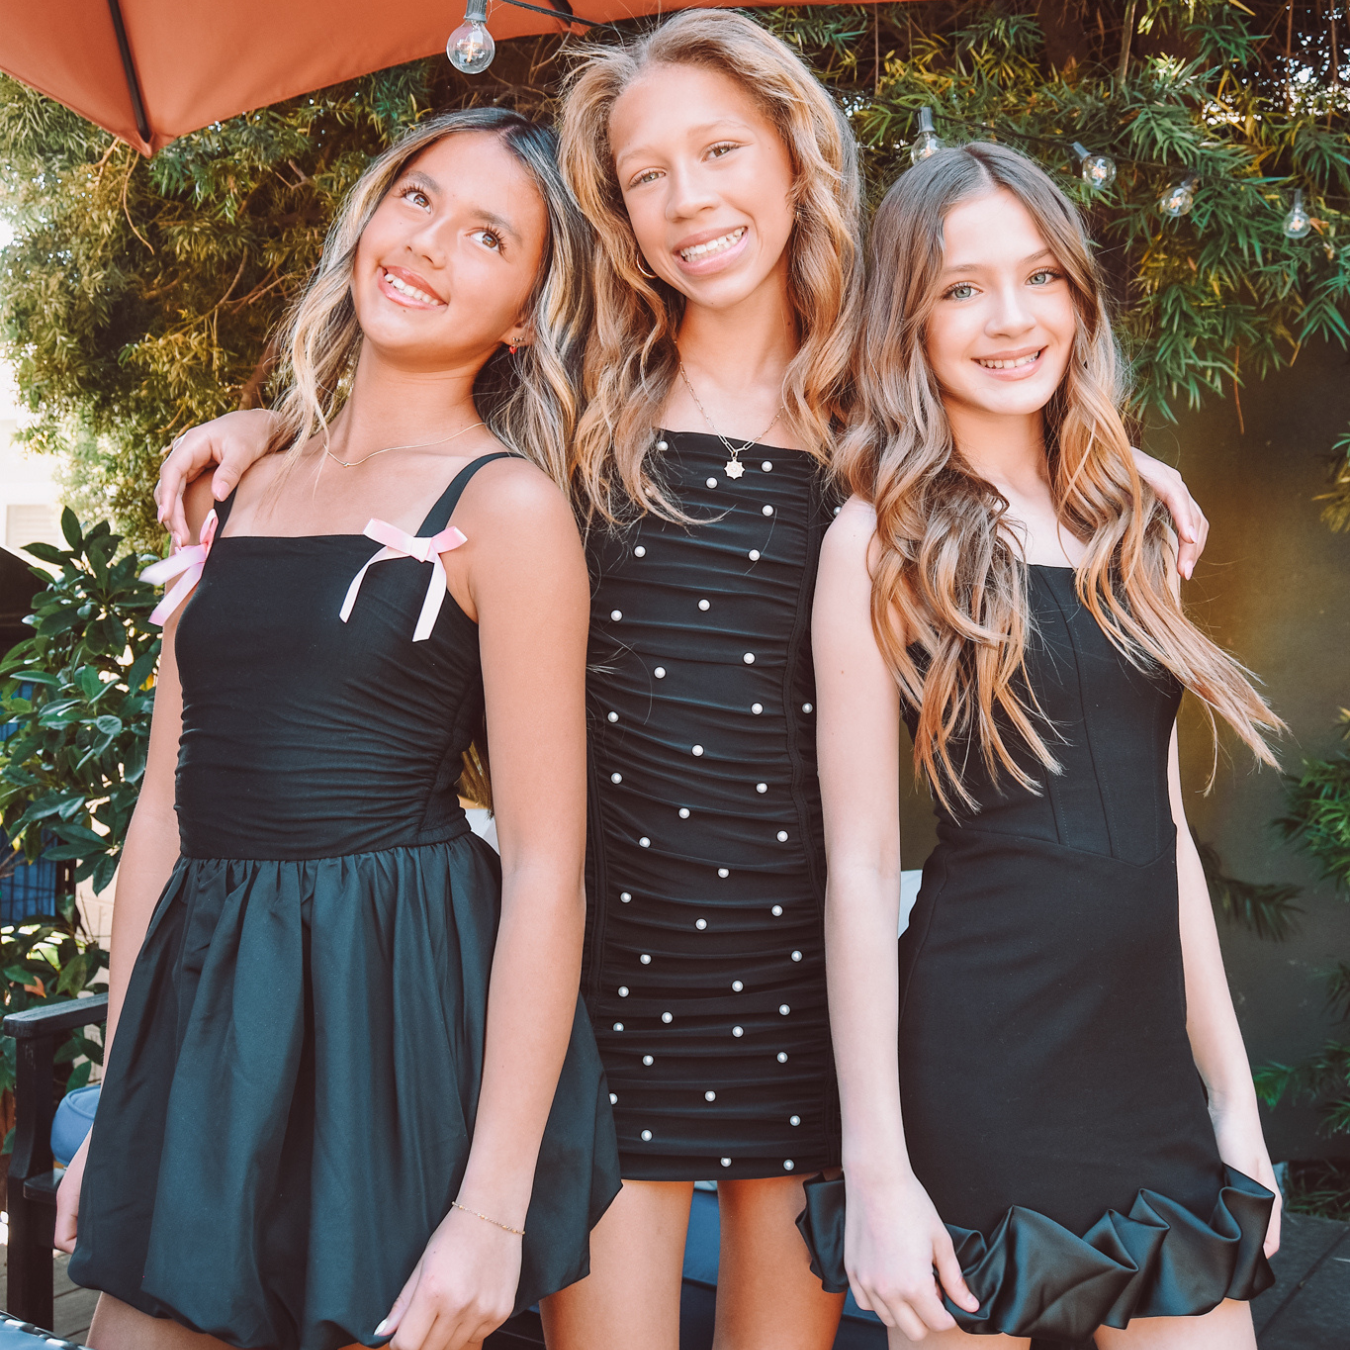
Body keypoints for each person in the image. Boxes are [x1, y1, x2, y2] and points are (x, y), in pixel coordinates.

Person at [154, 16, 1212, 1348]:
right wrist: (268, 432)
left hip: (814, 1004)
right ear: (608, 206)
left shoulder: (878, 425)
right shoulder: (569, 408)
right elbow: (403, 428)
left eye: (718, 149)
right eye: (643, 173)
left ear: (794, 154)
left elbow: (1030, 450)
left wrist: (1126, 475)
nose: (688, 198)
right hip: (605, 999)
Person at [58, 107, 620, 1350]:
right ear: (370, 212)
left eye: (488, 237)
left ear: (527, 312)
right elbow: (163, 809)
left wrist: (489, 1206)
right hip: (214, 998)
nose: (427, 244)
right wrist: (117, 1100)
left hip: (391, 1004)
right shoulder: (237, 483)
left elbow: (546, 866)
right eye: (417, 198)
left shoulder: (508, 509)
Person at [806, 141, 1282, 1350]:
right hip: (978, 1067)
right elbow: (860, 872)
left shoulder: (1128, 522)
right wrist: (880, 1170)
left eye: (1040, 277)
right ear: (906, 317)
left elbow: (1162, 837)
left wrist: (1234, 1108)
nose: (1010, 319)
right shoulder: (878, 540)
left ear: (1077, 290)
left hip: (1144, 1089)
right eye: (961, 287)